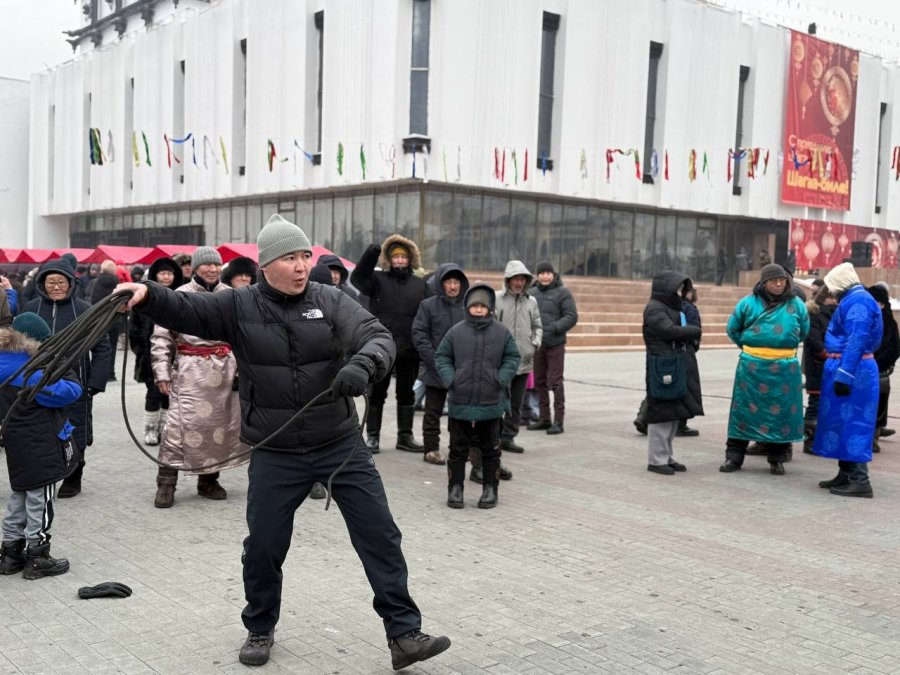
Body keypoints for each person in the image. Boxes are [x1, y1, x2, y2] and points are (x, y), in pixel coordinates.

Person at [116, 213, 450, 669]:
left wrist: (364, 365)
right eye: (290, 257)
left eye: (305, 256)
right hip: (276, 452)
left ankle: (404, 634)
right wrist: (147, 293)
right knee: (265, 546)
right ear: (267, 263)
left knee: (380, 535)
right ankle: (259, 627)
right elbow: (184, 309)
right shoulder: (239, 305)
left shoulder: (330, 299)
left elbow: (376, 336)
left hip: (340, 444)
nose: (300, 266)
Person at [150, 247, 247, 508]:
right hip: (189, 369)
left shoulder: (233, 296)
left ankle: (208, 480)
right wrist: (161, 371)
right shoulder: (179, 296)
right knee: (175, 429)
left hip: (226, 370)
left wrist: (244, 369)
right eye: (207, 265)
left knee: (218, 427)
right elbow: (161, 337)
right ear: (194, 268)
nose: (213, 269)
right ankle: (166, 483)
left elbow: (244, 335)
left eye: (217, 265)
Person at [0, 313, 82, 579]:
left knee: (20, 494)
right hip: (40, 443)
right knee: (41, 498)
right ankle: (38, 554)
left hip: (16, 443)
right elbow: (69, 392)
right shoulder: (30, 373)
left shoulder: (5, 363)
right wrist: (63, 369)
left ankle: (10, 552)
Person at [23, 259, 111, 498]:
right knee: (42, 429)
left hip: (76, 381)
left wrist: (94, 384)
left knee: (74, 428)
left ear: (71, 283)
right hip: (37, 382)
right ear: (42, 284)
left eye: (61, 282)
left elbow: (103, 346)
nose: (56, 286)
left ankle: (74, 474)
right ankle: (47, 472)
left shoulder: (84, 309)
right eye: (51, 282)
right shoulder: (30, 308)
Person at [435, 284, 520, 509]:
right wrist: (451, 379)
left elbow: (513, 357)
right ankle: (455, 488)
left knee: (491, 450)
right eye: (475, 306)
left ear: (490, 308)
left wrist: (500, 379)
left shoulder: (501, 332)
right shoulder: (456, 331)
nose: (479, 310)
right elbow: (442, 356)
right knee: (457, 450)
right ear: (468, 307)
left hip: (491, 402)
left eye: (483, 306)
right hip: (460, 401)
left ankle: (490, 489)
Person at [720, 264, 809, 475]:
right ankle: (734, 458)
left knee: (780, 416)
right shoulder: (748, 304)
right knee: (743, 412)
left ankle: (777, 459)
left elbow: (803, 331)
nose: (779, 284)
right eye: (773, 280)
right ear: (763, 283)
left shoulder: (797, 305)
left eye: (782, 280)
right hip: (751, 368)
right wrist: (752, 348)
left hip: (784, 370)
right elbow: (733, 328)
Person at [350, 234, 429, 453]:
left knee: (407, 394)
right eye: (395, 257)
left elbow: (428, 314)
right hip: (383, 347)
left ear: (411, 259)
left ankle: (405, 436)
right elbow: (358, 278)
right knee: (377, 393)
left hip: (410, 349)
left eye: (404, 257)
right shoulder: (378, 281)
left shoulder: (420, 285)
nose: (400, 260)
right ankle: (373, 436)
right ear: (389, 259)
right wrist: (372, 253)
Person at [814, 263, 883, 498]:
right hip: (849, 366)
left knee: (854, 423)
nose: (831, 292)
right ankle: (846, 474)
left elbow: (857, 338)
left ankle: (860, 480)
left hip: (854, 370)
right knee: (841, 422)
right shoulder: (855, 298)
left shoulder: (859, 301)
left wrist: (844, 374)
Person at [641, 273, 702, 475]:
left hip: (674, 363)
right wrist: (693, 331)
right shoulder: (655, 308)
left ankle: (667, 456)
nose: (680, 293)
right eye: (677, 288)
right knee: (661, 414)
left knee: (674, 413)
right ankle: (656, 460)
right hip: (663, 365)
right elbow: (668, 331)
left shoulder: (671, 306)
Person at [412, 263, 469, 466]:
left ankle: (460, 447)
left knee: (459, 412)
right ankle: (431, 449)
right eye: (448, 282)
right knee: (433, 412)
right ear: (441, 284)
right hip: (435, 368)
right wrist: (434, 360)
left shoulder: (468, 306)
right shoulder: (428, 306)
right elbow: (419, 334)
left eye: (456, 282)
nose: (453, 286)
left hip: (462, 371)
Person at [128, 257, 184, 446]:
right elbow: (133, 330)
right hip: (149, 356)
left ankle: (164, 428)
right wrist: (142, 352)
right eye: (163, 273)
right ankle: (150, 429)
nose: (167, 276)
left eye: (170, 273)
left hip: (176, 357)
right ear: (155, 275)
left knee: (170, 393)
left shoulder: (181, 295)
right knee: (153, 392)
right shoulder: (145, 297)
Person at [495, 260, 542, 453]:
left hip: (524, 360)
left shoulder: (532, 302)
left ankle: (509, 437)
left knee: (516, 402)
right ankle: (495, 437)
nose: (519, 283)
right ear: (508, 280)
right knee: (499, 401)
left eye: (522, 279)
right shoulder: (497, 298)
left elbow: (537, 326)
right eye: (516, 278)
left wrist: (535, 343)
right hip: (502, 361)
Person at [527, 261, 578, 435]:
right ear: (538, 275)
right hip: (538, 344)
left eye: (548, 273)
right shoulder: (531, 293)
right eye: (541, 273)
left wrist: (555, 328)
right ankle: (544, 418)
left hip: (555, 344)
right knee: (539, 382)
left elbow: (571, 316)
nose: (545, 276)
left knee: (555, 382)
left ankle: (559, 421)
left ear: (553, 274)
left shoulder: (562, 292)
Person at [802, 285, 837, 454]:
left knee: (828, 404)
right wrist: (827, 355)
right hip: (818, 366)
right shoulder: (814, 314)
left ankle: (822, 440)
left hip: (833, 366)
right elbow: (813, 340)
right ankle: (809, 440)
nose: (834, 301)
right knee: (815, 404)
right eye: (831, 298)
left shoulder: (837, 314)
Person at [867, 285, 899, 453]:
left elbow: (894, 349)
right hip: (865, 369)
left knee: (879, 405)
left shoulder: (889, 323)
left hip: (880, 371)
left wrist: (877, 364)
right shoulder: (866, 320)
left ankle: (874, 437)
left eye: (876, 302)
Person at [91, 260, 124, 382]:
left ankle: (100, 374)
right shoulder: (118, 285)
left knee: (99, 346)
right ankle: (111, 373)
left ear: (102, 270)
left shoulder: (96, 283)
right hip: (114, 319)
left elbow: (94, 301)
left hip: (100, 320)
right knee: (112, 346)